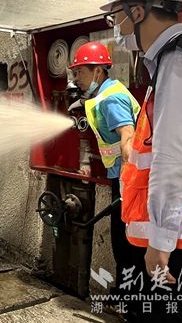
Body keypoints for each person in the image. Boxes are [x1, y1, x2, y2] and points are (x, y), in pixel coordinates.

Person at [101, 0, 182, 322]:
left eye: (116, 16)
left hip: (175, 237)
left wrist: (161, 242)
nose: (116, 27)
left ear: (137, 12)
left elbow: (173, 158)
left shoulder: (177, 61)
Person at [68, 41, 140, 300]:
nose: (76, 79)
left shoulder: (110, 99)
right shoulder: (103, 94)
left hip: (129, 180)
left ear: (98, 71)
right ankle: (125, 295)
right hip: (123, 177)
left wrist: (127, 182)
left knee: (126, 242)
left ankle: (128, 300)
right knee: (123, 240)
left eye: (80, 72)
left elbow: (128, 136)